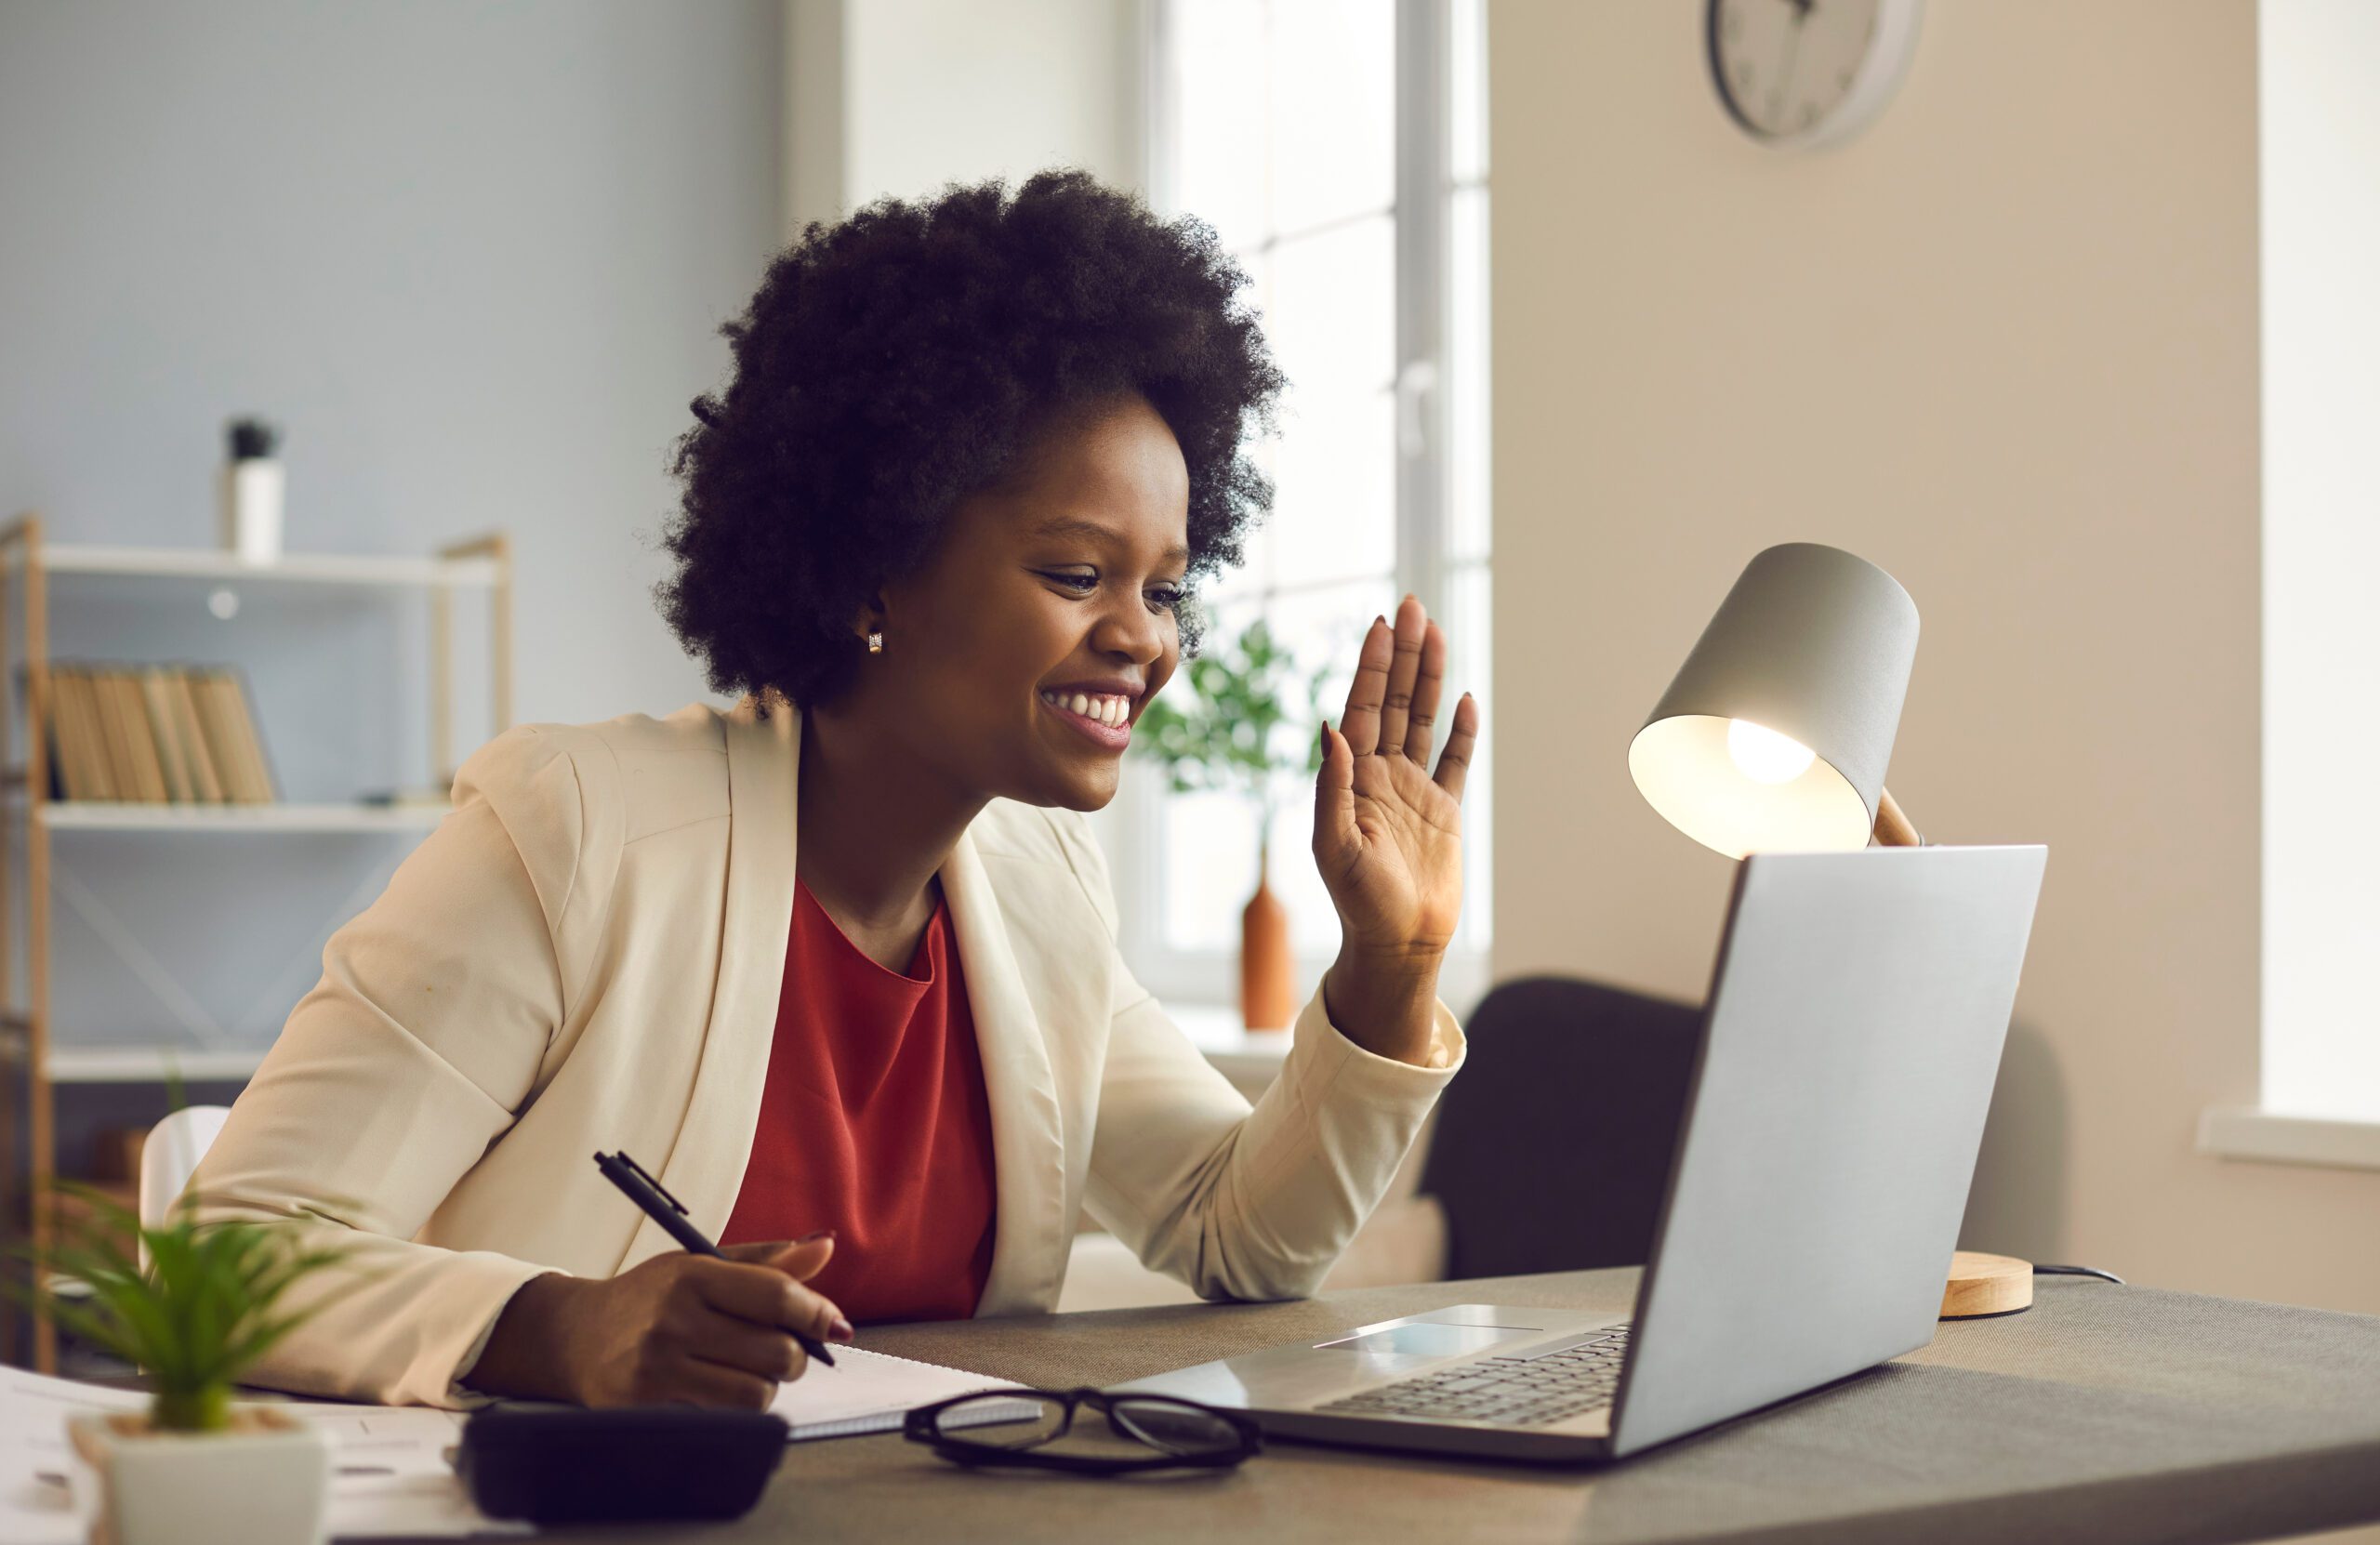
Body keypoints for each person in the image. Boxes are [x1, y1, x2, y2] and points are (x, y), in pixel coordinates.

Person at [188, 171, 1482, 1410]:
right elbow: (222, 1251)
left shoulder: (1041, 891)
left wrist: (1395, 959)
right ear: (877, 570)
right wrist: (556, 1325)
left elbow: (1239, 1233)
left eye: (1166, 588)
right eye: (1078, 573)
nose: (1144, 637)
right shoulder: (577, 835)